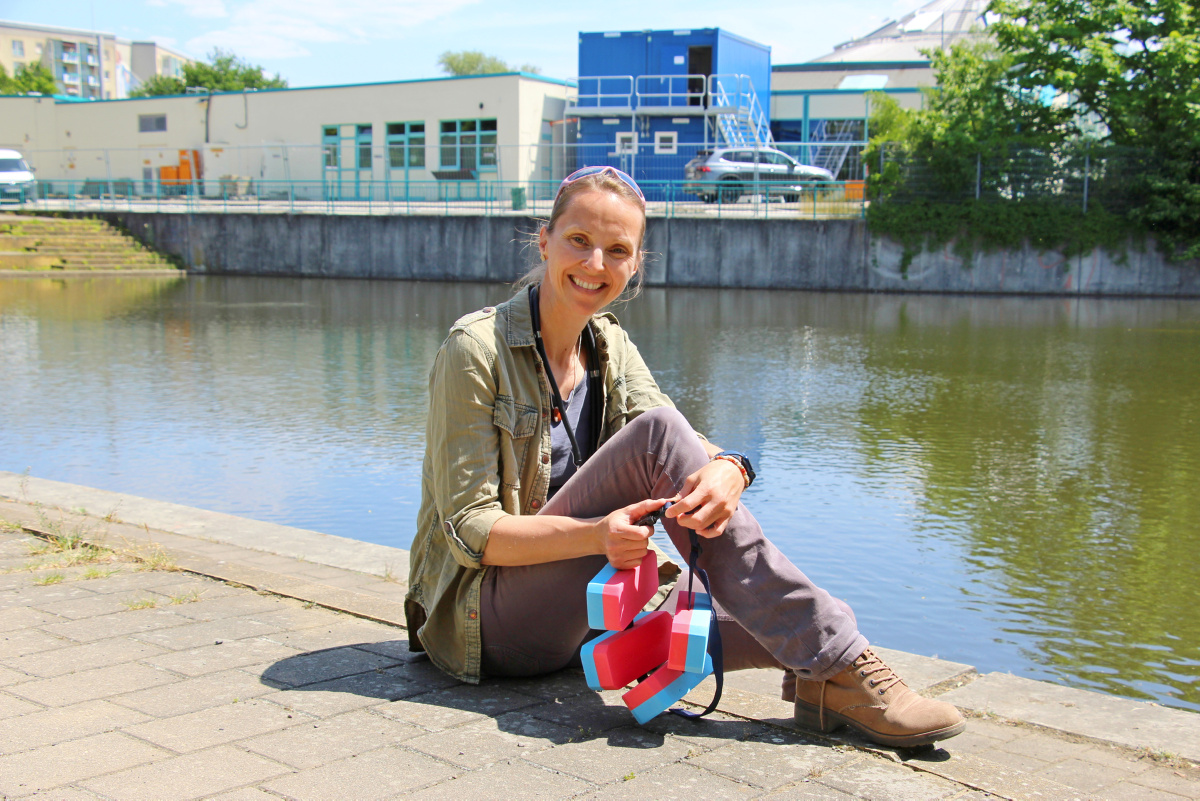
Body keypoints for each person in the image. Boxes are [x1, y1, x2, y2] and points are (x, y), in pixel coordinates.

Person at [405, 165, 966, 748]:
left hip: (582, 615)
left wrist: (733, 467)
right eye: (579, 240)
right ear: (543, 240)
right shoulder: (476, 349)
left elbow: (686, 445)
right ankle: (843, 661)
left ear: (635, 264)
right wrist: (599, 535)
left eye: (617, 249)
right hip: (487, 624)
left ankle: (827, 683)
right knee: (663, 443)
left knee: (806, 627)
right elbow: (471, 530)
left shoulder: (609, 345)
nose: (596, 264)